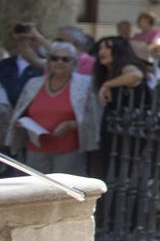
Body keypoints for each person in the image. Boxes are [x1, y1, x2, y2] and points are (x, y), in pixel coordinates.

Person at [4, 40, 102, 175]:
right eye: (54, 58)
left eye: (65, 59)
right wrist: (23, 122)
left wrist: (71, 125)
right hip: (35, 149)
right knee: (37, 191)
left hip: (69, 151)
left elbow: (95, 118)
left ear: (73, 63)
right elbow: (21, 111)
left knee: (66, 192)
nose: (59, 62)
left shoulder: (84, 85)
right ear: (48, 62)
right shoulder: (33, 84)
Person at [94, 36, 152, 111]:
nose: (102, 51)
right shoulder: (106, 72)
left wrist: (107, 84)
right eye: (100, 48)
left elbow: (136, 75)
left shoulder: (127, 67)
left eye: (108, 48)